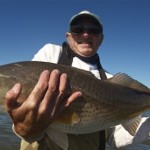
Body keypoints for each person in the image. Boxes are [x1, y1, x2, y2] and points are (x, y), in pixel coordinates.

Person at [5, 10, 150, 150]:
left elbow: (112, 137)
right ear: (68, 36)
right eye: (78, 29)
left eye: (93, 30)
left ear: (100, 38)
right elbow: (26, 115)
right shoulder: (52, 53)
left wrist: (146, 128)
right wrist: (25, 128)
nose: (86, 34)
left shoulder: (111, 80)